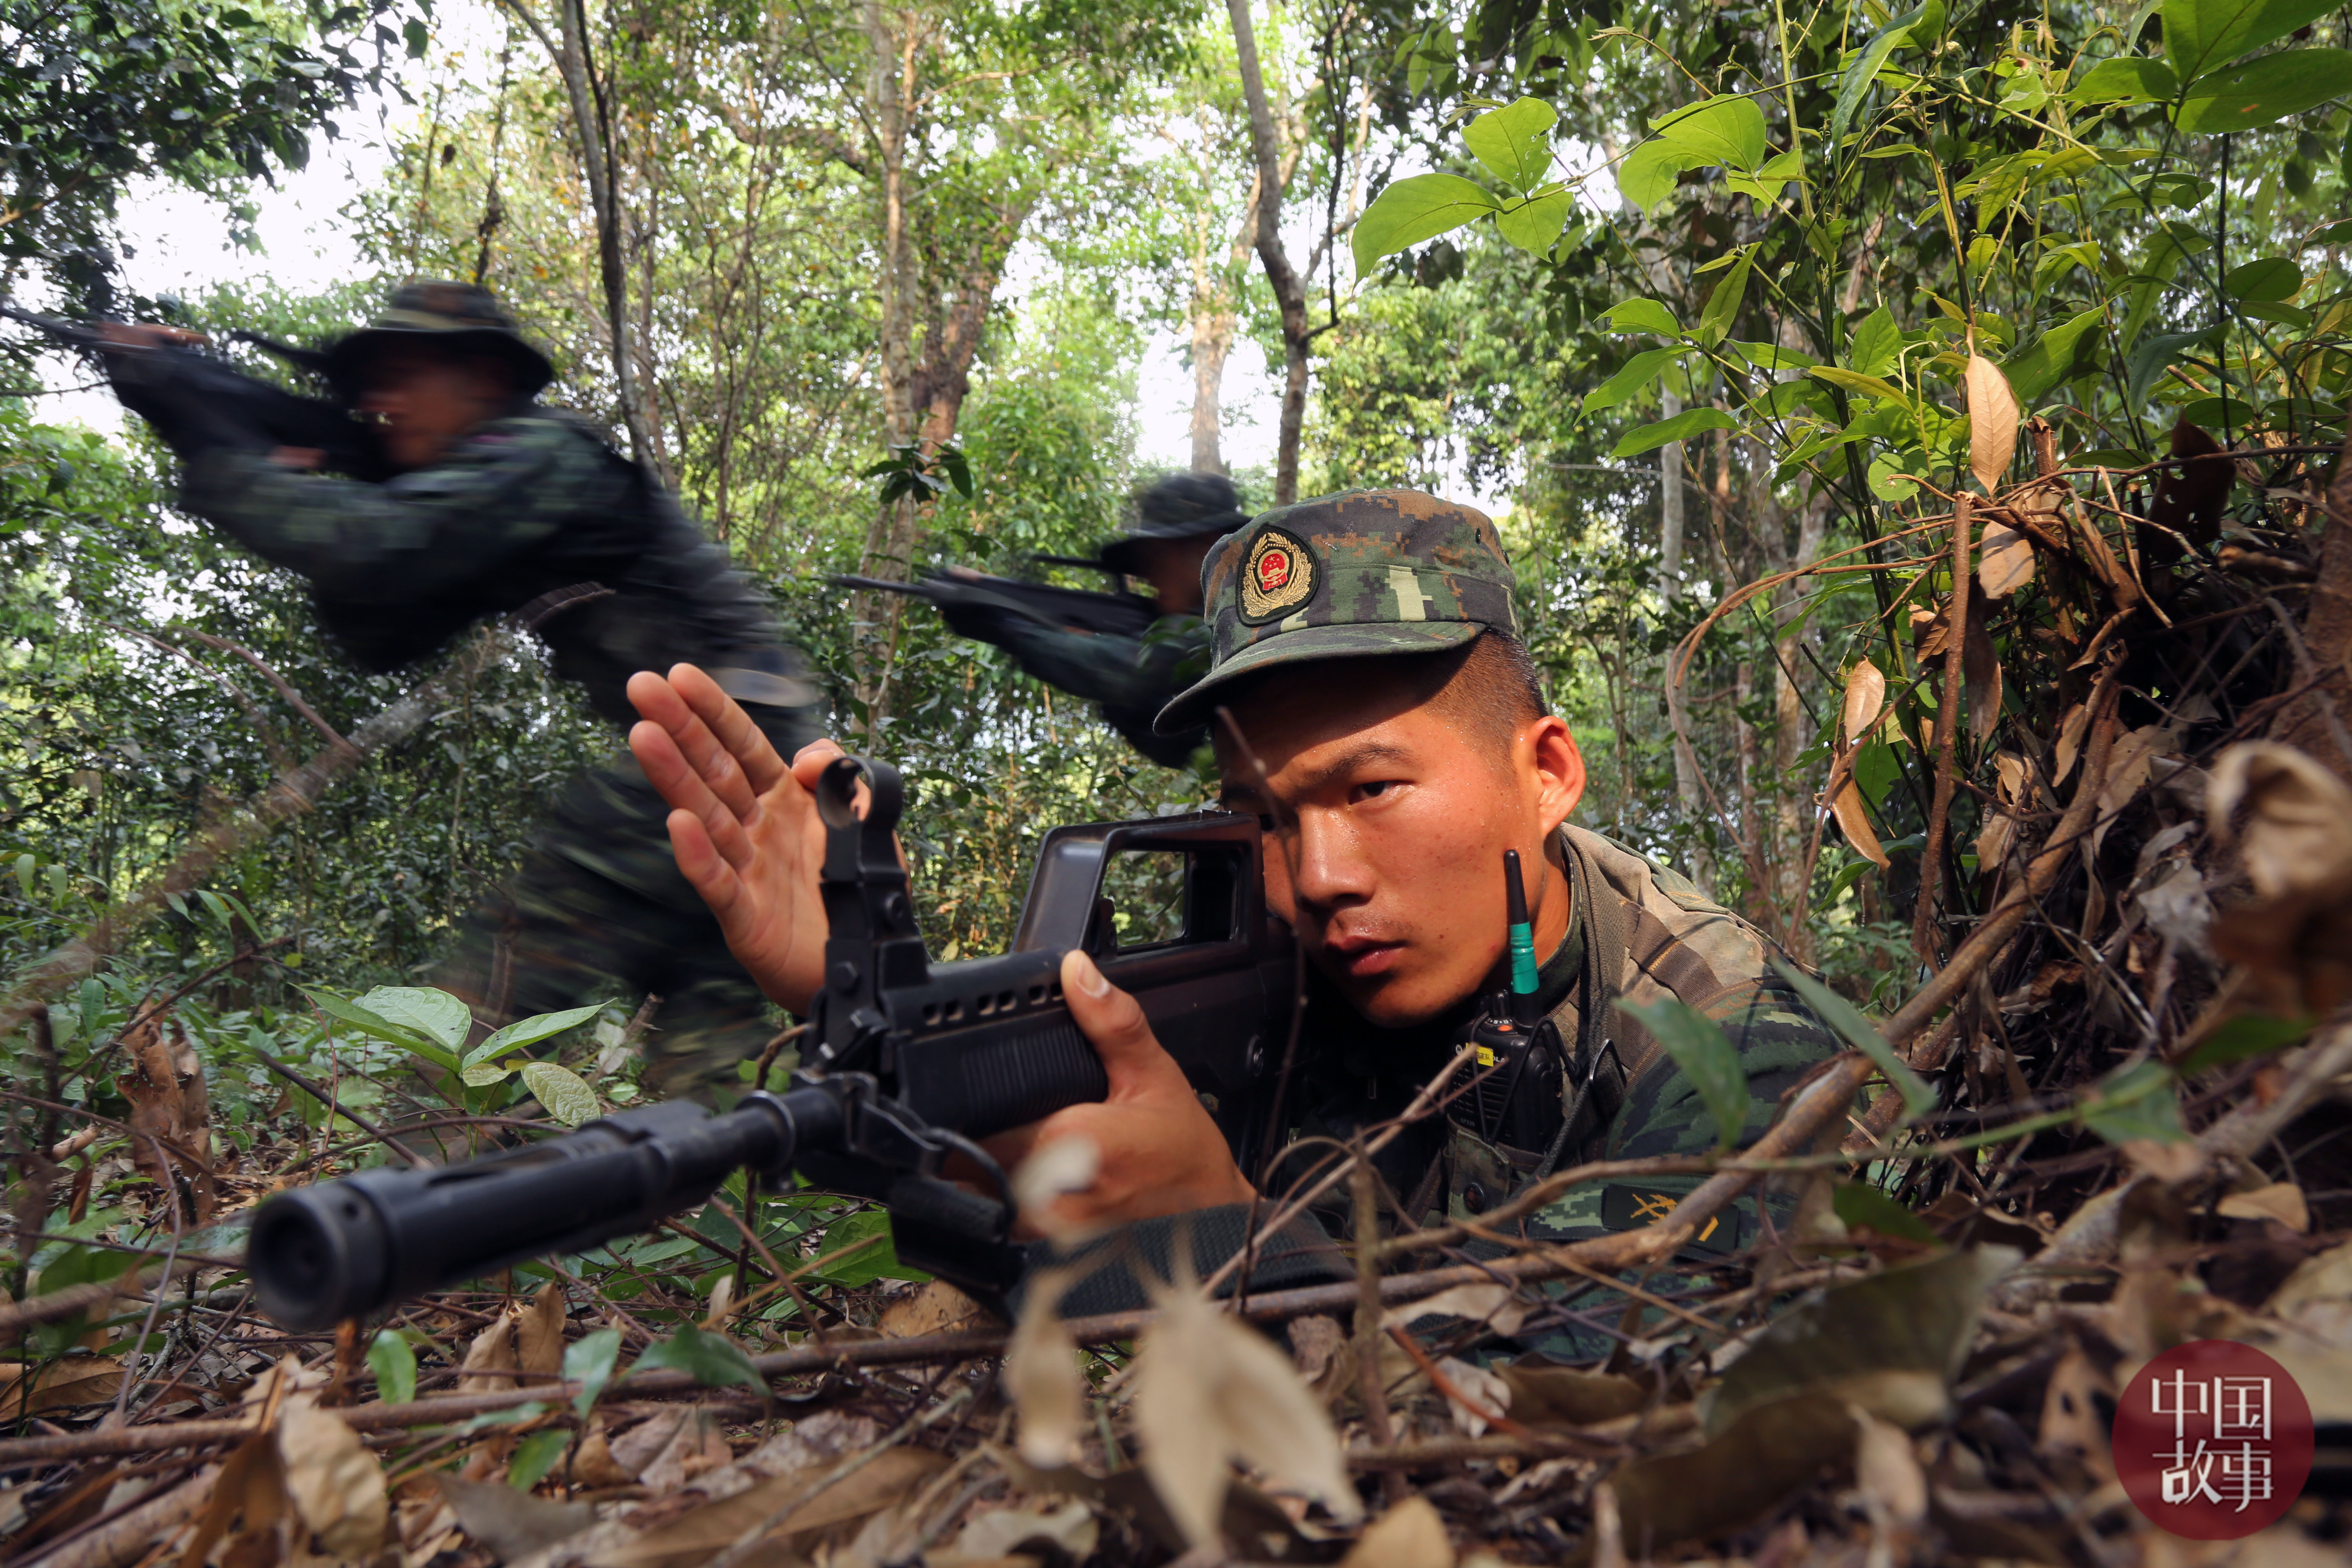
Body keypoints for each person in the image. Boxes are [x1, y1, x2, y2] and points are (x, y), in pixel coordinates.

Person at [624, 488, 1840, 1320]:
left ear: (1549, 772)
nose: (1315, 876)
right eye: (1263, 815)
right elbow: (1035, 1189)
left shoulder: (1734, 1036)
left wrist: (1227, 1242)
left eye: (1372, 786)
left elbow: (1636, 1387)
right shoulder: (1271, 965)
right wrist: (882, 1009)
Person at [101, 281, 824, 1099]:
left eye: (404, 374)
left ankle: (409, 1197)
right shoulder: (489, 499)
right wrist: (234, 433)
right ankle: (737, 1208)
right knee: (715, 1065)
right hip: (743, 758)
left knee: (491, 999)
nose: (379, 403)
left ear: (482, 380)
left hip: (721, 750)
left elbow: (381, 549)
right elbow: (377, 637)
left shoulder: (540, 454)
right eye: (368, 386)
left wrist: (221, 452)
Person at [933, 470, 1246, 767]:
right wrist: (1116, 700)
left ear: (1208, 545)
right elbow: (1177, 750)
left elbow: (1139, 669)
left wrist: (1006, 626)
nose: (1149, 576)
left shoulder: (1246, 614)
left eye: (1156, 558)